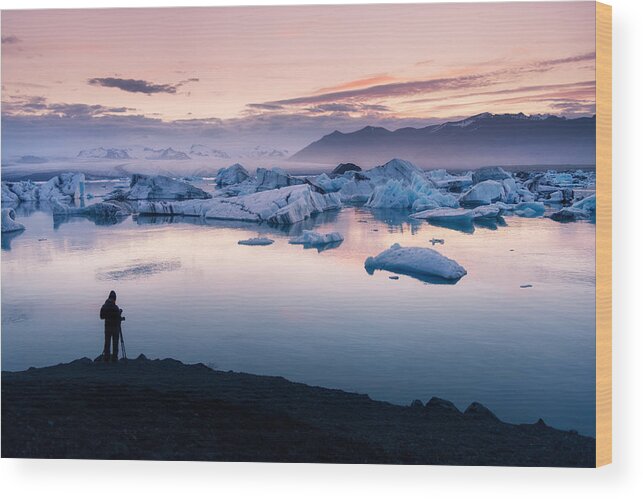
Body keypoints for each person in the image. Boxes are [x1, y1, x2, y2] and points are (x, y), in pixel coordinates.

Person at [100, 290, 124, 362]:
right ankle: (114, 358)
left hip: (107, 327)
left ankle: (106, 358)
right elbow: (117, 317)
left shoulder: (104, 306)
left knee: (107, 343)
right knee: (115, 343)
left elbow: (101, 316)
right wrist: (119, 313)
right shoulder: (115, 307)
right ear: (114, 298)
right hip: (115, 328)